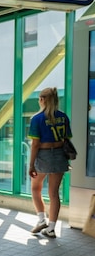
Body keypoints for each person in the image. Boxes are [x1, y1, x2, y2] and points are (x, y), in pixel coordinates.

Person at [28, 87, 72, 239]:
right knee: (54, 193)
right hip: (60, 154)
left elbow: (35, 144)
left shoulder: (37, 118)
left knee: (35, 188)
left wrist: (31, 164)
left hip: (44, 155)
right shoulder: (64, 117)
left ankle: (41, 219)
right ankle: (52, 228)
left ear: (43, 100)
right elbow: (67, 139)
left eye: (40, 97)